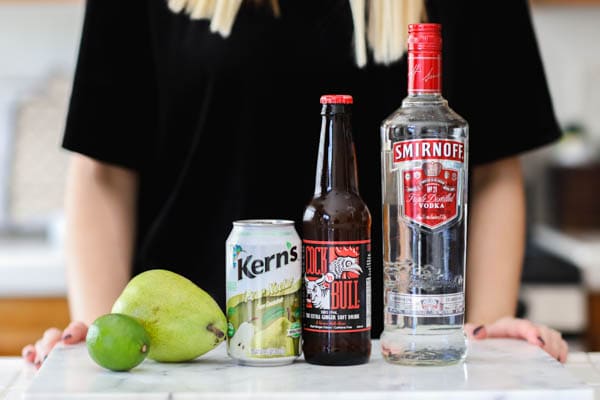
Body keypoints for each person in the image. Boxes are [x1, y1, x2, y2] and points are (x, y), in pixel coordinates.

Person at [22, 0, 569, 367]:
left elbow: (494, 170)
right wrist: (106, 348)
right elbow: (105, 170)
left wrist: (476, 336)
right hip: (190, 365)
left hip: (407, 364)